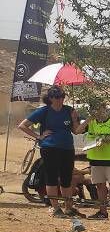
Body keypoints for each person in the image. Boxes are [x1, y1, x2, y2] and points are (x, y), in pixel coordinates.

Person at [17, 86, 87, 218]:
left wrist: (74, 119)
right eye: (57, 97)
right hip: (49, 148)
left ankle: (69, 208)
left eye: (62, 97)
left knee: (67, 178)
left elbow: (76, 131)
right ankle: (55, 208)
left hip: (67, 148)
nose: (60, 100)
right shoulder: (43, 111)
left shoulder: (69, 110)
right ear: (50, 98)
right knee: (52, 178)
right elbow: (22, 125)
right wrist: (38, 136)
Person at [84, 101, 110, 221]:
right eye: (94, 109)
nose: (97, 112)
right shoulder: (91, 122)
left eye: (99, 109)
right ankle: (103, 212)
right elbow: (77, 130)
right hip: (95, 158)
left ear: (104, 109)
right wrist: (88, 119)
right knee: (100, 185)